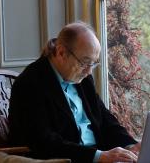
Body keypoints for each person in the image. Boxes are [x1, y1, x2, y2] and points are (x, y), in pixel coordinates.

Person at [8, 22, 141, 163]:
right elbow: (44, 142)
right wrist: (99, 156)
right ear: (61, 53)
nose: (89, 71)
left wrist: (130, 146)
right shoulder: (30, 84)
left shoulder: (83, 78)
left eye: (93, 63)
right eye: (84, 62)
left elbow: (105, 120)